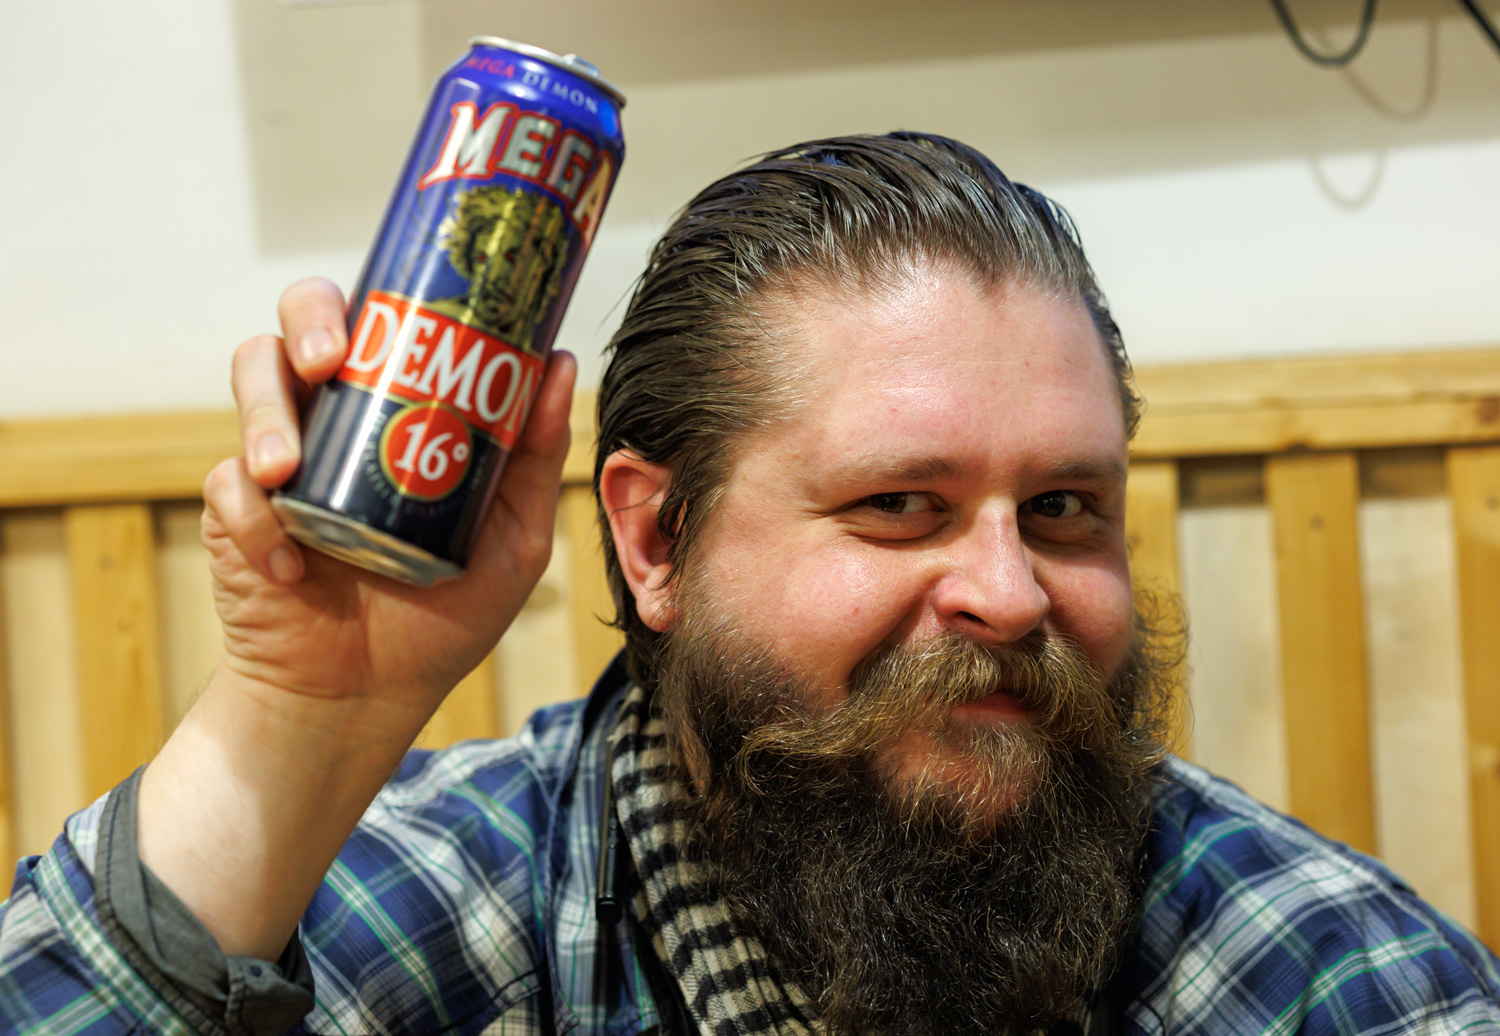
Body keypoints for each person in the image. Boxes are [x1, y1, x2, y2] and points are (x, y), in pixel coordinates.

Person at [1, 133, 1497, 1036]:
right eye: (898, 506)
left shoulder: (1316, 967)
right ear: (656, 541)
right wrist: (299, 718)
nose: (1010, 591)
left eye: (1062, 510)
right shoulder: (453, 905)